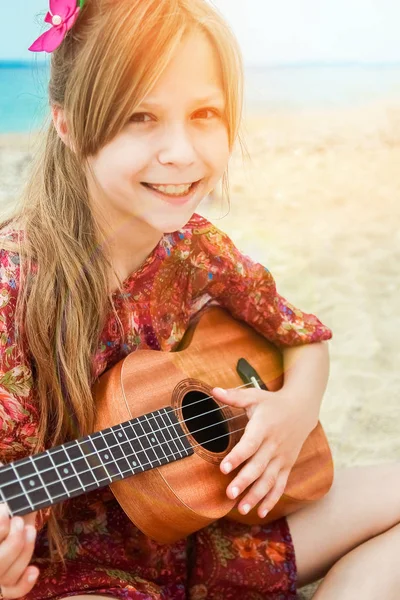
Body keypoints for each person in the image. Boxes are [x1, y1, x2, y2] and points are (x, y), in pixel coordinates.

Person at [0, 0, 399, 599]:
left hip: (219, 527)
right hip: (78, 574)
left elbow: (302, 336)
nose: (182, 153)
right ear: (67, 122)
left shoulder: (196, 249)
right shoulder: (15, 288)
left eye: (205, 113)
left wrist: (293, 411)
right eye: (141, 116)